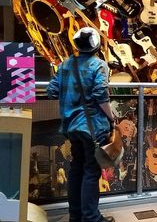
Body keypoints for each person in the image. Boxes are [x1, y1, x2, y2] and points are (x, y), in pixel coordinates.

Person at [47, 27, 115, 222]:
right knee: (91, 172)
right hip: (92, 127)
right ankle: (92, 218)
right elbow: (101, 95)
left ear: (77, 44)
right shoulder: (99, 65)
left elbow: (52, 91)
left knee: (76, 168)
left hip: (70, 126)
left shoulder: (65, 64)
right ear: (96, 45)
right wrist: (111, 119)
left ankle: (75, 216)